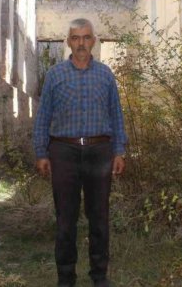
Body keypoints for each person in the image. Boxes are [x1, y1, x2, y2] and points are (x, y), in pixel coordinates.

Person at [33, 18, 127, 287]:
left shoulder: (105, 75)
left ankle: (99, 276)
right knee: (66, 218)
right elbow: (43, 117)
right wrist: (41, 152)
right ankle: (66, 278)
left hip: (99, 152)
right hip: (64, 152)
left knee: (99, 217)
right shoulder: (55, 75)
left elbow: (116, 115)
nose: (81, 43)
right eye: (76, 38)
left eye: (86, 37)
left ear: (93, 41)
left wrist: (119, 151)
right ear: (68, 42)